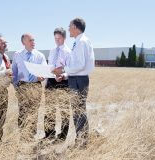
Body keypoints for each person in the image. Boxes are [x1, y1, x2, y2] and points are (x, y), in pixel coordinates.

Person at [53, 17, 95, 148]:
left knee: (78, 111)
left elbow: (81, 65)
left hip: (79, 80)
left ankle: (81, 143)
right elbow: (76, 65)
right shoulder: (79, 41)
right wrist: (65, 75)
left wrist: (63, 69)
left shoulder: (82, 42)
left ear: (76, 28)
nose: (68, 29)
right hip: (75, 79)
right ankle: (81, 141)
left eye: (69, 26)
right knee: (78, 111)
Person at [12, 33, 47, 142]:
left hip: (36, 86)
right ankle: (23, 136)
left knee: (34, 111)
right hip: (22, 86)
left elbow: (45, 70)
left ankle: (31, 136)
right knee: (22, 111)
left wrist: (43, 76)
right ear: (23, 42)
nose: (33, 42)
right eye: (30, 40)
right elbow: (14, 72)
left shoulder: (39, 55)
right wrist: (16, 87)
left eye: (33, 40)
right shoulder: (17, 55)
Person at [44, 27, 71, 143]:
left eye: (59, 38)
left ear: (64, 38)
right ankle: (49, 134)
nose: (57, 40)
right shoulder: (52, 51)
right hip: (50, 81)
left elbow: (71, 70)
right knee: (49, 109)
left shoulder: (69, 52)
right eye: (55, 38)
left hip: (63, 83)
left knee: (63, 109)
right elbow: (50, 65)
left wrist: (63, 75)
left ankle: (63, 136)